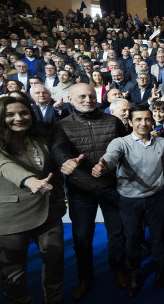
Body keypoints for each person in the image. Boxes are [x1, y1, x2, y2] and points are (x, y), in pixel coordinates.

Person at [0, 96, 66, 303]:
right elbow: (0, 164)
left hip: (48, 212)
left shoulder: (41, 137)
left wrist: (59, 199)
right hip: (7, 218)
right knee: (14, 274)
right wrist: (29, 180)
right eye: (9, 114)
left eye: (24, 113)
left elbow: (52, 172)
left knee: (55, 263)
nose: (18, 118)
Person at [51, 83, 129, 301]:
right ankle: (85, 277)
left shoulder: (113, 121)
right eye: (82, 96)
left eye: (91, 95)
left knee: (117, 232)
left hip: (111, 186)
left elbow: (125, 149)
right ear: (69, 98)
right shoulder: (62, 125)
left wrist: (111, 166)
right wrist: (64, 162)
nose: (88, 99)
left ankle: (118, 267)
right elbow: (58, 149)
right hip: (80, 189)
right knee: (82, 237)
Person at [91, 106, 164, 298]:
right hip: (130, 200)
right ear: (130, 122)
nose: (143, 123)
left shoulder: (161, 143)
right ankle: (135, 275)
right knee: (132, 240)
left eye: (147, 119)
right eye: (138, 119)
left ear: (152, 121)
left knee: (159, 238)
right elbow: (111, 156)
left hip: (156, 198)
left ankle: (160, 270)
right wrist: (104, 165)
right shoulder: (121, 142)